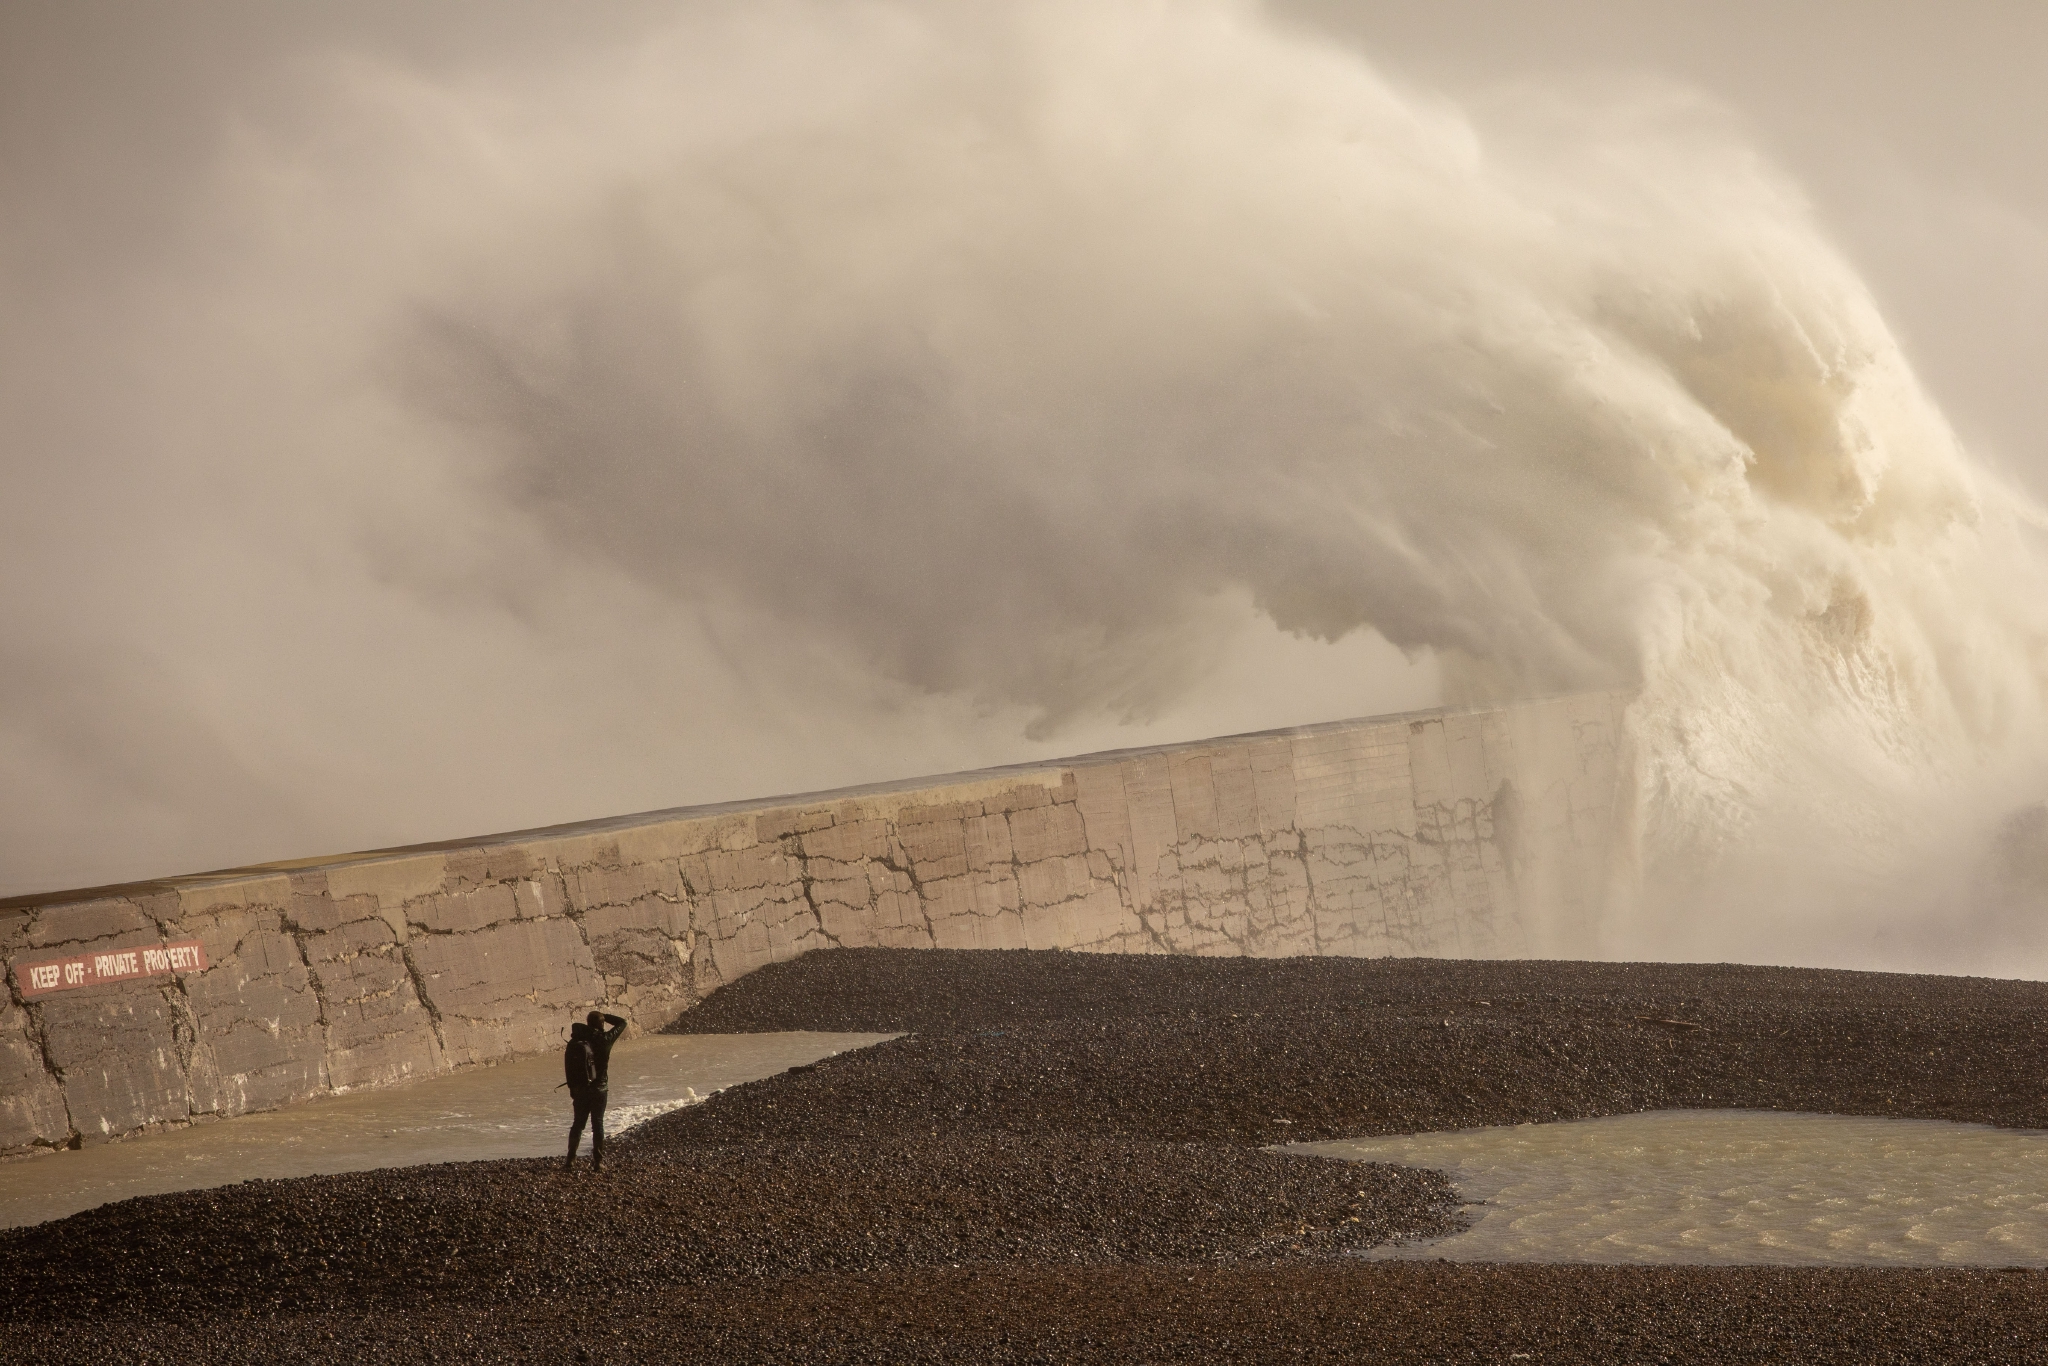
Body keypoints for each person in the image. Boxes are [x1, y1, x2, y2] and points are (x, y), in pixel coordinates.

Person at [564, 1009, 627, 1172]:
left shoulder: (576, 1041)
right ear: (601, 1023)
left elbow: (568, 1067)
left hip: (580, 1090)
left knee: (578, 1123)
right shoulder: (605, 1040)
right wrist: (605, 1016)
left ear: (587, 1023)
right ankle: (598, 1162)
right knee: (597, 1123)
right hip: (599, 1089)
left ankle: (570, 1160)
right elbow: (622, 1022)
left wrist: (573, 1088)